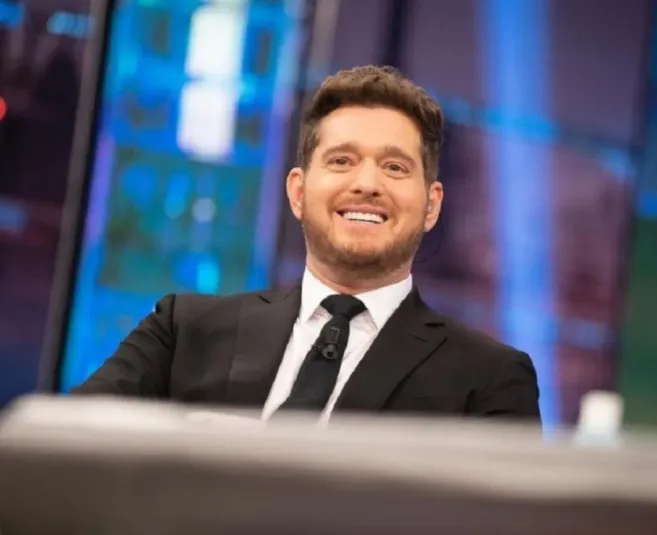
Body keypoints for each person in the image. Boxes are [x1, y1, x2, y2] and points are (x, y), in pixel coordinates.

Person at [74, 65, 541, 423]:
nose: (367, 184)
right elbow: (67, 447)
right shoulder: (182, 331)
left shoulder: (489, 380)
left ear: (431, 205)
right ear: (297, 192)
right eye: (341, 161)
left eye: (395, 168)